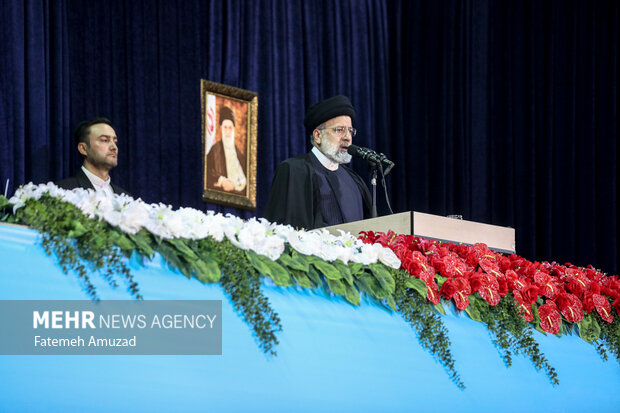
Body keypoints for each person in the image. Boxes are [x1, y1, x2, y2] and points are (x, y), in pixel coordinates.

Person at [264, 95, 372, 229]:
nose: (347, 137)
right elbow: (282, 230)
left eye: (350, 131)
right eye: (339, 130)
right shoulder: (293, 170)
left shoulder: (355, 182)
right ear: (318, 135)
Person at [56, 117, 131, 196]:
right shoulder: (63, 192)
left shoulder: (126, 198)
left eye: (115, 141)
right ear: (83, 149)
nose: (114, 147)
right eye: (105, 140)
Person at [206, 105, 247, 194]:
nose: (228, 132)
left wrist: (236, 185)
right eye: (225, 127)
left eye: (230, 128)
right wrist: (221, 180)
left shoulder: (240, 155)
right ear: (221, 128)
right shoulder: (214, 150)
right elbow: (207, 172)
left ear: (234, 129)